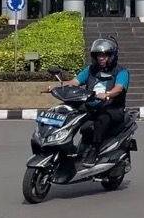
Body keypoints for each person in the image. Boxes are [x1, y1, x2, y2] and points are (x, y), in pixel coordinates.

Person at [49, 37, 130, 165]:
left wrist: (107, 94)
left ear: (112, 56)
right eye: (98, 55)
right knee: (67, 114)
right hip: (91, 106)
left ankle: (94, 151)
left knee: (101, 119)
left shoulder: (121, 72)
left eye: (105, 55)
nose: (101, 58)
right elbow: (75, 82)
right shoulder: (91, 70)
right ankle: (61, 145)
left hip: (112, 108)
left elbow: (118, 89)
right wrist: (58, 87)